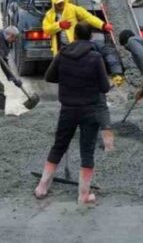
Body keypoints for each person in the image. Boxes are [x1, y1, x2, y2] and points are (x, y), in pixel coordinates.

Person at [34, 22, 112, 205]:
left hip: (68, 109)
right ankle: (83, 195)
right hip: (90, 110)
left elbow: (49, 77)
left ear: (74, 35)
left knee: (58, 146)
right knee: (87, 151)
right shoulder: (95, 57)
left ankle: (42, 187)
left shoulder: (63, 54)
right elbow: (104, 87)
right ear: (90, 37)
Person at [42, 0, 111, 54]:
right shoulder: (49, 14)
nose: (61, 4)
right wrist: (59, 25)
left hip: (75, 45)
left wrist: (102, 25)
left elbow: (88, 17)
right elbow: (46, 29)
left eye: (62, 2)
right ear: (54, 3)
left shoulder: (72, 8)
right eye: (58, 3)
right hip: (60, 48)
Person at [88, 37, 125, 151]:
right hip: (94, 80)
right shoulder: (97, 44)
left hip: (78, 83)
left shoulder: (71, 48)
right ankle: (109, 145)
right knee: (102, 109)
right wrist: (117, 73)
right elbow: (111, 56)